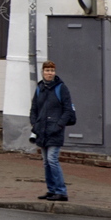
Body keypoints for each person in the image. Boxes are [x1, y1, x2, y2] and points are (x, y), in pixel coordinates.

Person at [30, 61, 74, 202]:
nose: (50, 73)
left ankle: (61, 191)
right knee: (46, 162)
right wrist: (34, 124)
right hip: (42, 130)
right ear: (43, 72)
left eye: (52, 70)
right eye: (47, 70)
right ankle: (51, 190)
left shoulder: (61, 88)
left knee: (52, 160)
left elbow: (67, 110)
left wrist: (59, 125)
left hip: (55, 131)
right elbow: (34, 109)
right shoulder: (40, 88)